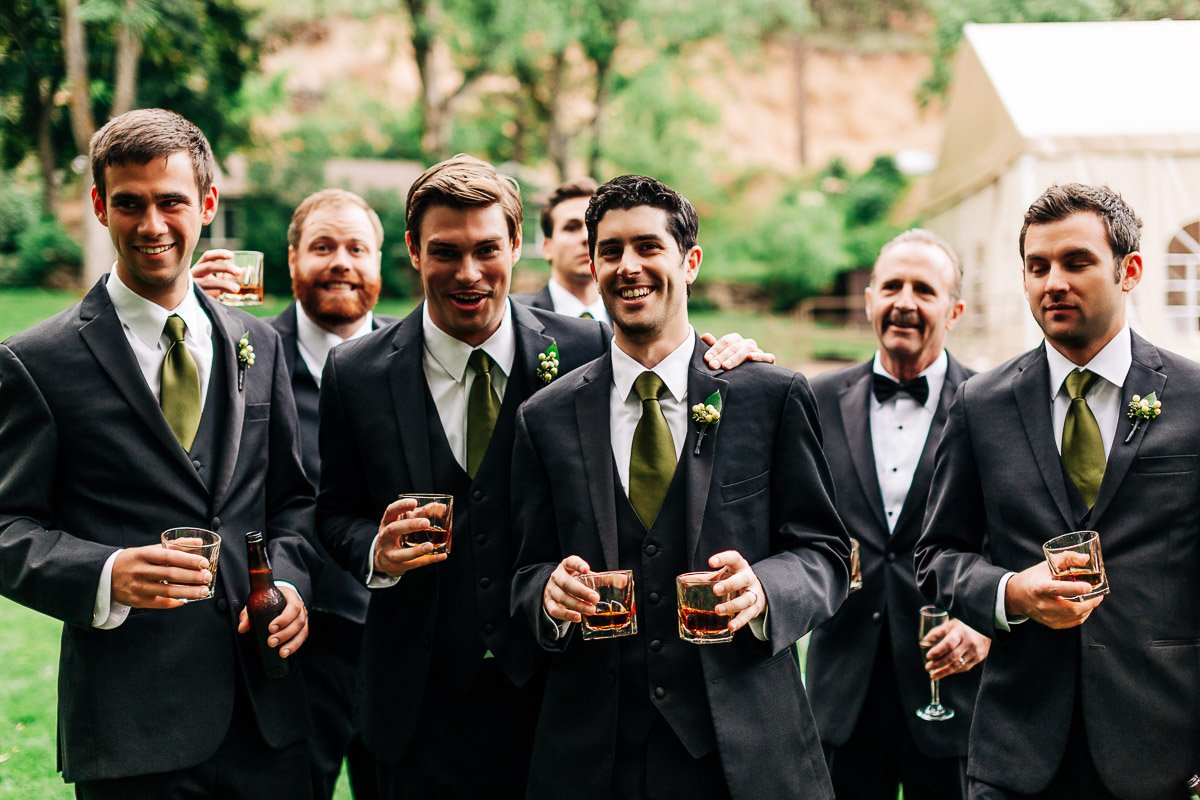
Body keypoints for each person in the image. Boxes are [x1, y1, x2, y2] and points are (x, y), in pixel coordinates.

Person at [316, 156, 767, 799]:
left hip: (564, 695)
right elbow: (333, 510)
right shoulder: (354, 373)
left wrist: (729, 357)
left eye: (487, 249)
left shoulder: (585, 350)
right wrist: (374, 551)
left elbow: (668, 354)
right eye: (445, 251)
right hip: (417, 703)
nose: (468, 273)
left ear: (519, 246)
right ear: (414, 251)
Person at [0, 108, 317, 799]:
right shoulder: (37, 362)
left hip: (266, 718)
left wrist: (290, 586)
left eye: (171, 201)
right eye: (129, 204)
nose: (151, 225)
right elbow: (6, 527)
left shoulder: (260, 346)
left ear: (206, 202)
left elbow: (292, 502)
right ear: (98, 206)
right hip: (130, 731)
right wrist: (106, 572)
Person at [509, 174, 850, 799]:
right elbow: (526, 567)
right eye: (610, 251)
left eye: (648, 247)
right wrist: (545, 595)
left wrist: (765, 591)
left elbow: (824, 552)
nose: (628, 266)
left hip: (743, 753)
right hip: (592, 756)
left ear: (689, 262)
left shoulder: (768, 396)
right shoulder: (546, 416)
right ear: (591, 263)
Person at [915, 183, 1200, 800]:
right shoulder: (981, 404)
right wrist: (1010, 592)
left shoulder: (1194, 398)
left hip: (1163, 749)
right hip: (1016, 753)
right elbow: (936, 556)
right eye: (1037, 266)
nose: (1053, 282)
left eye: (1077, 262)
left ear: (1131, 271)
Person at [194, 188, 388, 800]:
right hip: (292, 644)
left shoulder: (412, 359)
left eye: (357, 248)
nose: (341, 263)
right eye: (323, 247)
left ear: (383, 260)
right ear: (291, 257)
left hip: (401, 640)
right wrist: (195, 321)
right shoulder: (242, 349)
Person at [807, 229, 990, 800]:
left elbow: (1021, 534)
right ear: (868, 300)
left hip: (952, 689)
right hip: (842, 690)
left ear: (954, 310)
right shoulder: (811, 400)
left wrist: (985, 622)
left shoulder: (992, 405)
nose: (904, 302)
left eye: (924, 290)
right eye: (891, 286)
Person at [513, 178, 609, 322]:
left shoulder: (630, 315)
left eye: (593, 227)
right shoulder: (515, 317)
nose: (586, 237)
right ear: (547, 247)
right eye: (571, 227)